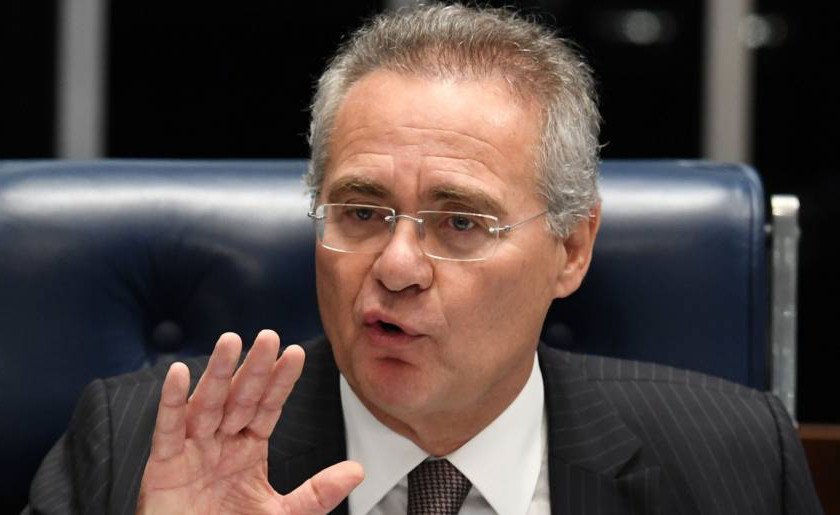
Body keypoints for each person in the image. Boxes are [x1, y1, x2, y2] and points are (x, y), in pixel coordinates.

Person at [26, 3, 822, 515]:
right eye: (361, 212)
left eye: (461, 222)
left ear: (572, 248)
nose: (397, 265)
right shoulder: (136, 445)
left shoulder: (734, 459)